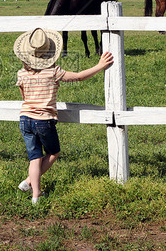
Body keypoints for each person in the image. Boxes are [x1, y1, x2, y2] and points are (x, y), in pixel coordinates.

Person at [13, 27, 114, 204]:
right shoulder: (53, 72)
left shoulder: (21, 74)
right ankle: (29, 182)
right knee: (53, 152)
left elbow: (24, 96)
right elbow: (79, 77)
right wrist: (100, 66)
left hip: (25, 119)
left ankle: (35, 194)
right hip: (44, 120)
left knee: (34, 157)